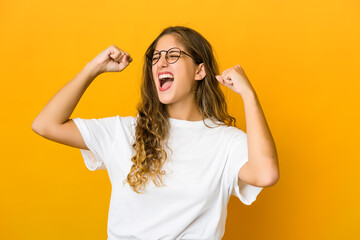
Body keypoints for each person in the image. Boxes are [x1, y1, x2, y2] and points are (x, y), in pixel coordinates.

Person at [32, 26, 279, 240]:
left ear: (199, 71)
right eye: (156, 57)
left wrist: (248, 95)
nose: (160, 63)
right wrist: (92, 68)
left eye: (173, 55)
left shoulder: (226, 142)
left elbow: (266, 174)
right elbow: (46, 124)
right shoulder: (125, 131)